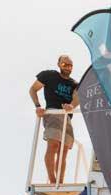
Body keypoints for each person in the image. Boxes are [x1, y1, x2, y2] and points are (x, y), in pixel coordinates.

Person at [29, 55, 79, 184]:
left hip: (67, 117)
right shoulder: (49, 75)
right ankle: (52, 181)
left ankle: (59, 183)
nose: (67, 67)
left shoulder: (74, 84)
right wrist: (38, 106)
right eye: (64, 64)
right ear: (58, 64)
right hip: (53, 113)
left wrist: (72, 105)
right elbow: (33, 89)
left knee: (63, 151)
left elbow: (77, 97)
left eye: (70, 65)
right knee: (53, 145)